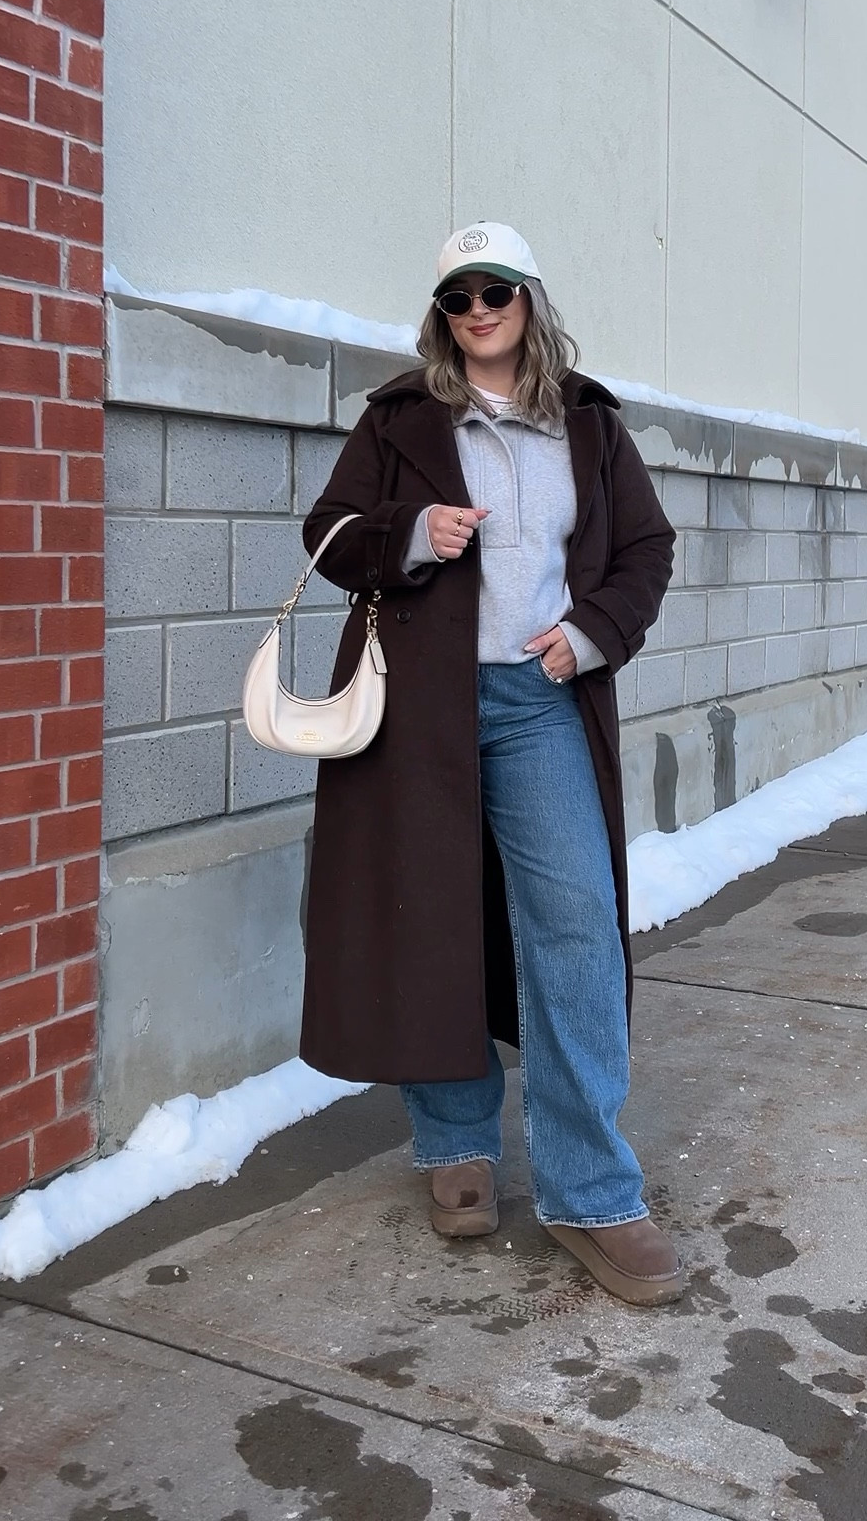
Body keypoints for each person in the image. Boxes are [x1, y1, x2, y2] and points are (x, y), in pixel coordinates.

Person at [300, 222, 682, 1305]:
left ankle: (591, 1192)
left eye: (496, 291)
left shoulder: (589, 423)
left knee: (575, 923)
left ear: (529, 300)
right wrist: (411, 530)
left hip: (536, 701)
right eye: (458, 295)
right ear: (442, 313)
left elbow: (647, 550)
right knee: (433, 920)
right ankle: (455, 1144)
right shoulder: (399, 418)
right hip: (416, 707)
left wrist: (594, 631)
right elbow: (327, 535)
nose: (478, 310)